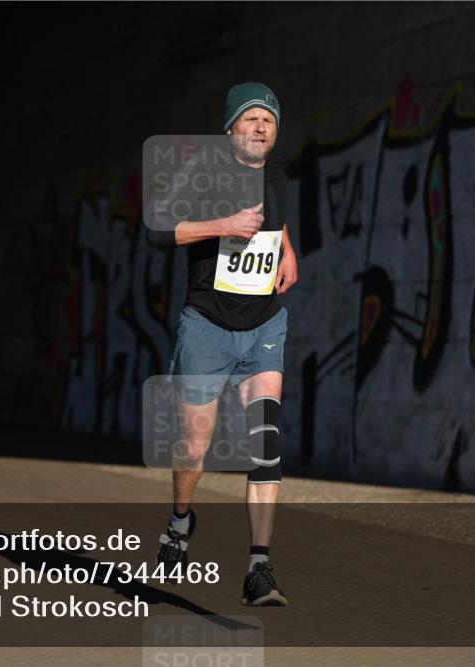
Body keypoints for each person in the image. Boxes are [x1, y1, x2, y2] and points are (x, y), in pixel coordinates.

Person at [147, 83, 298, 606]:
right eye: (251, 119)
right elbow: (157, 228)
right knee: (193, 446)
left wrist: (287, 250)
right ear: (231, 126)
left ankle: (260, 567)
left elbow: (272, 222)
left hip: (263, 326)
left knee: (265, 441)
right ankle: (180, 522)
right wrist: (223, 225)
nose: (260, 127)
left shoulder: (277, 173)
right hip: (207, 324)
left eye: (269, 121)